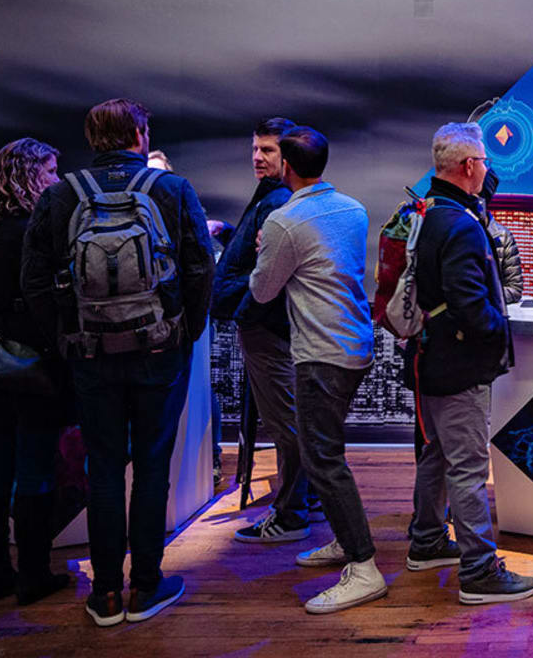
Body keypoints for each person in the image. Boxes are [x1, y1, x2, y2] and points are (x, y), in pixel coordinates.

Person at [21, 98, 215, 626]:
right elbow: (200, 270)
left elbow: (33, 282)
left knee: (102, 468)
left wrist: (66, 335)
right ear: (138, 134)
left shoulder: (61, 195)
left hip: (91, 356)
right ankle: (146, 588)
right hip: (159, 351)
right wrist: (185, 334)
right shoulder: (172, 190)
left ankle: (105, 593)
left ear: (92, 137)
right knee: (153, 470)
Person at [247, 126, 384, 614]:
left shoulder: (285, 221)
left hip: (320, 352)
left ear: (287, 165)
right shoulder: (353, 208)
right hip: (354, 342)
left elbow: (262, 291)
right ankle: (348, 543)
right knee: (325, 453)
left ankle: (364, 567)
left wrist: (264, 247)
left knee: (322, 458)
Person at [406, 122, 533, 604]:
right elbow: (470, 301)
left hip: (429, 358)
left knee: (437, 455)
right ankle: (479, 569)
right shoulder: (460, 222)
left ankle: (426, 541)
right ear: (468, 167)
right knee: (466, 466)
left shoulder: (427, 212)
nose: (486, 169)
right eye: (483, 161)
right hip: (458, 363)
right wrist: (495, 332)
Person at [0, 138, 73, 608]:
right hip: (34, 365)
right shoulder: (38, 229)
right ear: (31, 174)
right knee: (34, 469)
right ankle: (33, 574)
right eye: (49, 171)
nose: (54, 180)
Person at [210, 117, 314, 544]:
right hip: (266, 327)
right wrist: (232, 235)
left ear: (286, 157)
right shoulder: (272, 199)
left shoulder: (276, 203)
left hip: (268, 330)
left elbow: (271, 273)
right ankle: (306, 502)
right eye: (255, 148)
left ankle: (291, 515)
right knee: (290, 421)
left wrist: (246, 306)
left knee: (287, 425)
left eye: (267, 150)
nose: (257, 156)